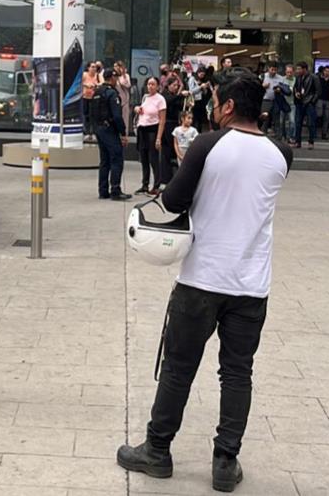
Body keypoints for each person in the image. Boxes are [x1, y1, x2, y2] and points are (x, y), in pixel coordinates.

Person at [117, 67, 293, 493]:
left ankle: (157, 451)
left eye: (216, 103)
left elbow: (174, 199)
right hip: (251, 285)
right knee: (237, 373)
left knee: (179, 367)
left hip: (202, 279)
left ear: (228, 106)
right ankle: (224, 462)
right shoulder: (281, 154)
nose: (213, 110)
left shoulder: (209, 144)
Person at [91, 68, 130, 200]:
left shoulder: (97, 92)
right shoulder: (111, 94)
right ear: (112, 78)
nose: (117, 80)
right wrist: (123, 133)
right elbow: (117, 116)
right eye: (116, 78)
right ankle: (115, 190)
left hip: (99, 129)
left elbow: (90, 112)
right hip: (109, 130)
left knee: (104, 161)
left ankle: (102, 191)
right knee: (116, 159)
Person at [134, 76, 167, 196]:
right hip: (142, 128)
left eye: (153, 84)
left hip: (153, 129)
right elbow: (141, 109)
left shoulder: (160, 99)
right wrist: (137, 108)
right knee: (144, 159)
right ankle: (144, 184)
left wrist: (158, 137)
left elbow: (162, 120)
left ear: (158, 86)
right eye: (148, 84)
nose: (150, 86)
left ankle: (157, 185)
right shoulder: (145, 97)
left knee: (153, 159)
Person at [161, 77, 187, 186]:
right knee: (167, 151)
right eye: (174, 85)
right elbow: (169, 101)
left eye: (177, 86)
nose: (176, 88)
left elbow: (178, 104)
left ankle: (173, 176)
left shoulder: (174, 96)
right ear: (169, 85)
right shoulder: (165, 95)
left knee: (173, 151)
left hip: (174, 123)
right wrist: (180, 95)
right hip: (167, 124)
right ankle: (165, 177)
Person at [292, 62, 320, 149]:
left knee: (311, 123)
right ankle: (297, 141)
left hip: (309, 102)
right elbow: (295, 87)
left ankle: (311, 142)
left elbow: (318, 91)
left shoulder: (314, 77)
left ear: (304, 69)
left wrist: (312, 101)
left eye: (299, 69)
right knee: (298, 122)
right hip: (300, 102)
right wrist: (296, 93)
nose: (297, 71)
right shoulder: (298, 77)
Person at [260, 62, 284, 135]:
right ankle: (262, 135)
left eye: (275, 70)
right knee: (264, 120)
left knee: (276, 120)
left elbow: (284, 89)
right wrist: (262, 86)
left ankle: (278, 138)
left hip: (276, 101)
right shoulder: (262, 76)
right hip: (265, 101)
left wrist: (280, 90)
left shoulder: (280, 78)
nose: (273, 72)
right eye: (272, 69)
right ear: (268, 69)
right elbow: (256, 88)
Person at [188, 66, 211, 133]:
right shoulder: (192, 79)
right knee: (194, 119)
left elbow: (205, 92)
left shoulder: (203, 80)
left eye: (203, 75)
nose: (202, 76)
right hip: (194, 101)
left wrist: (205, 88)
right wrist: (200, 87)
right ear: (198, 73)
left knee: (200, 119)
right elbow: (191, 91)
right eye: (201, 74)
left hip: (201, 101)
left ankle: (199, 132)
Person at [317, 66, 329, 140]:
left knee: (326, 117)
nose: (327, 72)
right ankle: (317, 127)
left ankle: (324, 133)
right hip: (320, 99)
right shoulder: (319, 79)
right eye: (326, 71)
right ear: (323, 71)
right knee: (319, 114)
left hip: (328, 100)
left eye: (328, 71)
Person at [115, 61, 133, 136]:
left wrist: (123, 75)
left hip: (124, 99)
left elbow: (128, 85)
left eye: (117, 66)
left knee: (125, 118)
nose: (115, 68)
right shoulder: (113, 76)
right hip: (116, 99)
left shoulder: (126, 76)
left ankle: (124, 134)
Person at [82, 61, 100, 138]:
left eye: (95, 67)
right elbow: (79, 82)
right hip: (85, 97)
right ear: (88, 68)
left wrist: (96, 85)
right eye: (92, 67)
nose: (94, 68)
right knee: (85, 115)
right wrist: (86, 85)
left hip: (94, 98)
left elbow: (102, 83)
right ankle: (86, 132)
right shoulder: (84, 75)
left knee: (93, 115)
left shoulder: (98, 76)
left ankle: (93, 132)